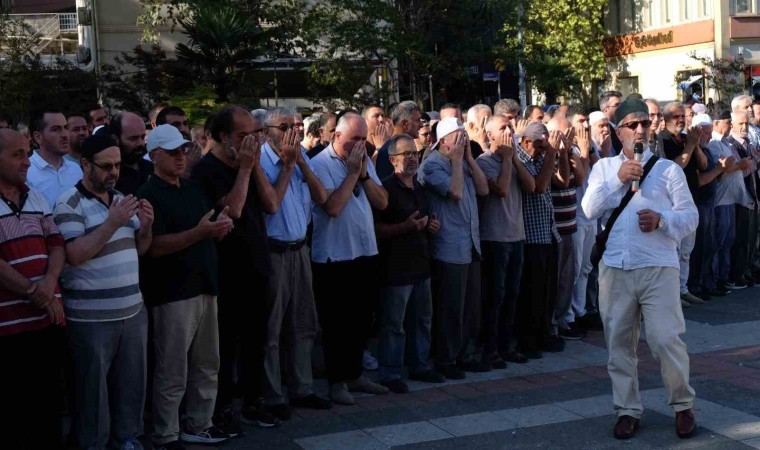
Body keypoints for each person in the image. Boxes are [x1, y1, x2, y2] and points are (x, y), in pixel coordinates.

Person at [582, 97, 698, 440]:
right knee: (619, 343)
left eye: (645, 123)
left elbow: (691, 216)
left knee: (665, 340)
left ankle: (683, 405)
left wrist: (663, 220)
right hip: (615, 268)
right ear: (618, 132)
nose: (640, 130)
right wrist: (618, 179)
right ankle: (627, 410)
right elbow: (588, 209)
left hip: (658, 266)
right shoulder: (605, 168)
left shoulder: (668, 170)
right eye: (632, 125)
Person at [53, 134, 154, 449]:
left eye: (118, 165)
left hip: (132, 311)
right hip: (92, 318)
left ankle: (127, 440)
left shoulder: (121, 198)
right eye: (106, 166)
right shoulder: (68, 203)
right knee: (92, 394)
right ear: (85, 165)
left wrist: (147, 227)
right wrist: (111, 223)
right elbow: (75, 254)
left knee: (131, 386)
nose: (114, 172)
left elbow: (140, 249)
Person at [137, 125, 234, 448]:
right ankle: (166, 432)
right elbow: (154, 247)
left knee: (208, 363)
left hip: (205, 284)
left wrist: (220, 227)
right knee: (172, 367)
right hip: (172, 291)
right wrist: (202, 232)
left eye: (182, 150)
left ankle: (200, 423)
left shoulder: (191, 188)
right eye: (172, 152)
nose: (181, 157)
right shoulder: (148, 194)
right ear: (154, 156)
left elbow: (207, 226)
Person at [191, 106, 279, 432]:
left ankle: (254, 401)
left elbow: (271, 204)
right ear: (223, 136)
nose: (251, 142)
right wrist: (244, 169)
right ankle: (223, 407)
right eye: (244, 136)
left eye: (255, 134)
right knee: (225, 344)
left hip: (257, 264)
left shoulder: (249, 163)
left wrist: (252, 167)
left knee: (257, 339)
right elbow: (234, 209)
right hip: (226, 269)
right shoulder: (206, 170)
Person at [310, 112, 390, 405]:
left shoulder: (364, 162)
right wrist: (353, 173)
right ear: (336, 136)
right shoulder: (320, 164)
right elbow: (333, 207)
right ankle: (337, 381)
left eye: (363, 140)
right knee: (337, 323)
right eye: (354, 139)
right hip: (334, 256)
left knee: (363, 319)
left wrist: (364, 174)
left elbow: (383, 201)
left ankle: (355, 374)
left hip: (365, 251)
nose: (359, 145)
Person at [258, 108, 332, 419]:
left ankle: (303, 388)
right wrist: (288, 166)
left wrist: (300, 162)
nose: (293, 132)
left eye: (297, 126)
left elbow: (322, 197)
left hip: (300, 250)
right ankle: (273, 394)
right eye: (284, 126)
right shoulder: (260, 161)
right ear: (267, 132)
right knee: (271, 328)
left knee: (303, 322)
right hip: (273, 253)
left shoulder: (302, 158)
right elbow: (271, 205)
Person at [0, 128, 66, 449]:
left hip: (47, 320)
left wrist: (50, 282)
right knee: (15, 412)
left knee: (48, 406)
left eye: (27, 153)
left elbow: (56, 242)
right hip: (9, 329)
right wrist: (32, 290)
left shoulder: (34, 195)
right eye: (18, 155)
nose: (27, 162)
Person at [373, 134, 445, 393]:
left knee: (422, 319)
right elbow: (376, 229)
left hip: (421, 264)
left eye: (415, 153)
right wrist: (406, 227)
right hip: (396, 268)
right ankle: (390, 372)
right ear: (393, 160)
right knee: (394, 323)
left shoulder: (420, 188)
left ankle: (420, 366)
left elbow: (424, 221)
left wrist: (432, 225)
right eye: (407, 154)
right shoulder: (385, 189)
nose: (413, 159)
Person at [418, 117, 489, 378]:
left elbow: (483, 189)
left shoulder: (463, 161)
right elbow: (455, 192)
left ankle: (466, 355)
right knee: (450, 307)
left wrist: (468, 159)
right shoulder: (432, 165)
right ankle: (446, 359)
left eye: (464, 136)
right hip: (448, 246)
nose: (463, 141)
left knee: (470, 305)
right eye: (458, 137)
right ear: (444, 141)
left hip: (470, 243)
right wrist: (458, 162)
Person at [477, 115, 535, 366]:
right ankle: (490, 349)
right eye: (503, 128)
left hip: (517, 235)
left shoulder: (513, 158)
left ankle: (507, 345)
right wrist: (508, 159)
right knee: (495, 296)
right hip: (495, 237)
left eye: (510, 127)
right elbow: (500, 189)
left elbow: (532, 186)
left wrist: (514, 159)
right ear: (490, 135)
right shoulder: (484, 161)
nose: (509, 131)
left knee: (512, 294)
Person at [515, 122, 569, 359]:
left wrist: (562, 154)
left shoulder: (542, 156)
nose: (543, 150)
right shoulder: (520, 158)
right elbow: (539, 186)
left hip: (549, 232)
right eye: (540, 146)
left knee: (548, 291)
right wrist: (551, 153)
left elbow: (563, 181)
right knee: (532, 293)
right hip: (530, 237)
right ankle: (529, 339)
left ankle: (545, 332)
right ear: (527, 142)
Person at [658, 102, 707, 307]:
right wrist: (689, 146)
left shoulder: (687, 138)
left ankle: (683, 289)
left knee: (686, 250)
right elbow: (674, 167)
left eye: (682, 116)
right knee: (675, 250)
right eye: (675, 117)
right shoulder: (663, 139)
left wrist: (694, 144)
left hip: (690, 200)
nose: (680, 120)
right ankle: (672, 293)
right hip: (672, 203)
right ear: (666, 119)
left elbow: (703, 165)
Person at [688, 114, 731, 301]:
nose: (708, 137)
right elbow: (700, 180)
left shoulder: (706, 150)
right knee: (699, 249)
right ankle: (695, 285)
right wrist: (719, 169)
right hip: (699, 204)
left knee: (709, 247)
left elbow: (715, 177)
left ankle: (706, 283)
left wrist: (721, 168)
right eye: (704, 133)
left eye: (709, 133)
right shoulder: (694, 151)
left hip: (710, 203)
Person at [711, 109, 751, 293]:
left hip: (730, 199)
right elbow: (722, 167)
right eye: (727, 122)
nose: (729, 126)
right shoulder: (714, 143)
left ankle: (724, 277)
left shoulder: (725, 142)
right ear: (716, 124)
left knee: (728, 241)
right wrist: (739, 166)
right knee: (719, 242)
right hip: (720, 200)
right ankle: (716, 278)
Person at [726, 110, 759, 289]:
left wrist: (751, 163)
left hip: (751, 195)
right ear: (732, 124)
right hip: (739, 197)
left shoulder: (748, 143)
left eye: (746, 123)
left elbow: (751, 164)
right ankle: (737, 274)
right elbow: (742, 169)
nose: (744, 127)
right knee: (740, 238)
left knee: (750, 237)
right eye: (740, 124)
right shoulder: (731, 143)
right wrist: (750, 163)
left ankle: (746, 270)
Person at [26, 109, 83, 208]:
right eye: (56, 129)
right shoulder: (27, 173)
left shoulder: (76, 169)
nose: (65, 135)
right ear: (38, 137)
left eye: (66, 128)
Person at [104, 111, 153, 196]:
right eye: (133, 138)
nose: (140, 143)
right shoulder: (108, 176)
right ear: (115, 139)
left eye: (142, 137)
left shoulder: (152, 169)